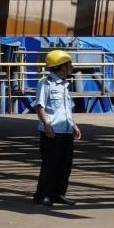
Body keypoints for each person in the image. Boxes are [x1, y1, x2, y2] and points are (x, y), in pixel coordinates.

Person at [33, 49, 81, 206]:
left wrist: (74, 125)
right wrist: (47, 125)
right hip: (52, 132)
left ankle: (58, 194)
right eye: (69, 64)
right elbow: (40, 106)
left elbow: (65, 109)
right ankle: (41, 196)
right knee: (50, 165)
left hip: (66, 131)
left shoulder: (65, 85)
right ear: (61, 67)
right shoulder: (45, 83)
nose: (71, 67)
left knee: (65, 165)